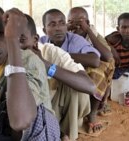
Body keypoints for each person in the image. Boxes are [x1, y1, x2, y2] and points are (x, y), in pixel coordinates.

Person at [0, 2, 60, 140]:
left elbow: (21, 121)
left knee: (26, 110)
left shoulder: (29, 60)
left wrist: (13, 41)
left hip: (35, 134)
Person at [22, 14, 96, 141]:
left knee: (74, 86)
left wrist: (45, 65)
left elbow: (89, 86)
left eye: (21, 40)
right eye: (8, 41)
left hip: (51, 110)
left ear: (35, 40)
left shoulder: (50, 52)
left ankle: (64, 133)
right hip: (21, 117)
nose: (58, 28)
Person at [41, 9, 102, 140]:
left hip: (72, 92)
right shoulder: (41, 44)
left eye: (62, 23)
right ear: (44, 30)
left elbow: (95, 60)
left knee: (74, 86)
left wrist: (60, 56)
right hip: (50, 93)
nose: (58, 28)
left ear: (66, 27)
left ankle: (67, 134)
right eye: (52, 24)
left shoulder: (75, 40)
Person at [67, 7, 115, 133]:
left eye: (79, 23)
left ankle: (92, 114)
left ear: (87, 23)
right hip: (74, 66)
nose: (75, 27)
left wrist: (88, 31)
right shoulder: (66, 35)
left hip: (91, 67)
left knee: (98, 71)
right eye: (71, 22)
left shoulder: (94, 34)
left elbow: (108, 57)